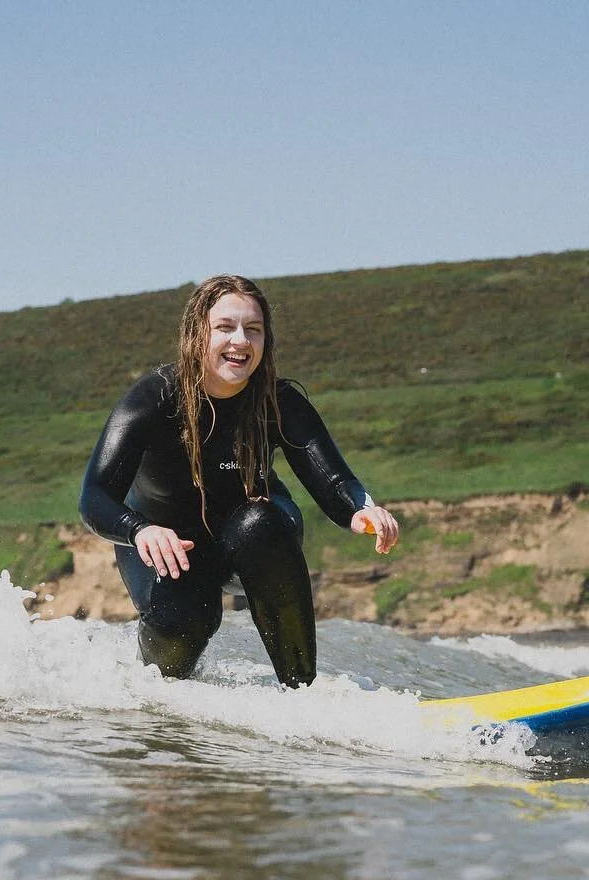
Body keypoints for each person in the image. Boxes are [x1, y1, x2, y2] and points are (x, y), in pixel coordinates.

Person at [80, 274, 399, 687]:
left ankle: (302, 692)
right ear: (198, 333)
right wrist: (139, 531)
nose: (241, 341)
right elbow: (94, 496)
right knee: (187, 614)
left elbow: (334, 478)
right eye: (225, 327)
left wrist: (361, 509)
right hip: (169, 547)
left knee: (259, 523)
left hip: (247, 541)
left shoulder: (278, 401)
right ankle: (157, 698)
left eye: (254, 329)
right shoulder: (155, 400)